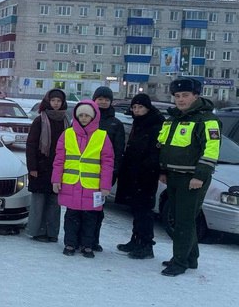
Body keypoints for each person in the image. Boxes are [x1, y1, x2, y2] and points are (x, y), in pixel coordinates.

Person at [158, 78, 220, 276]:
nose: (181, 100)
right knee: (180, 218)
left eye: (185, 95)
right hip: (174, 176)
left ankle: (180, 262)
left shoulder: (207, 120)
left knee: (184, 220)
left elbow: (211, 151)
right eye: (177, 96)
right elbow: (164, 147)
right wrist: (163, 171)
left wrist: (200, 176)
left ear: (196, 95)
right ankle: (190, 257)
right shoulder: (173, 118)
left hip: (192, 178)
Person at [52, 100, 114, 258]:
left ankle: (87, 245)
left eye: (87, 115)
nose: (84, 118)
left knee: (90, 218)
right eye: (81, 115)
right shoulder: (67, 134)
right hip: (71, 184)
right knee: (71, 217)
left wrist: (105, 185)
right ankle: (70, 243)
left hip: (92, 186)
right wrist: (56, 180)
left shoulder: (102, 136)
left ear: (94, 117)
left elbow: (107, 163)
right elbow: (59, 159)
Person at [115, 93, 165, 260]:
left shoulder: (156, 124)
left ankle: (146, 245)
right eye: (134, 107)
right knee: (136, 209)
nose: (137, 110)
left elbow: (156, 152)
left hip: (146, 174)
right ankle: (135, 240)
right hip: (134, 172)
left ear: (147, 108)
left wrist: (147, 168)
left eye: (140, 107)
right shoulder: (139, 123)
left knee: (144, 210)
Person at [25, 88, 70, 243]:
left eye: (59, 101)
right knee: (39, 202)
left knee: (54, 203)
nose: (56, 104)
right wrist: (32, 168)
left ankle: (52, 233)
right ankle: (37, 231)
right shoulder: (40, 120)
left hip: (58, 167)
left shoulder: (66, 120)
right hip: (41, 167)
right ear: (48, 102)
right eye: (53, 101)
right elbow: (31, 145)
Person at [91, 86, 125, 251]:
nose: (103, 102)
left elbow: (118, 151)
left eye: (106, 99)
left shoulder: (115, 123)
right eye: (100, 99)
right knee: (80, 207)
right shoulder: (86, 118)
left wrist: (113, 172)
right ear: (94, 100)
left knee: (97, 209)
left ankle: (93, 240)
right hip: (83, 172)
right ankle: (78, 239)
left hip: (104, 173)